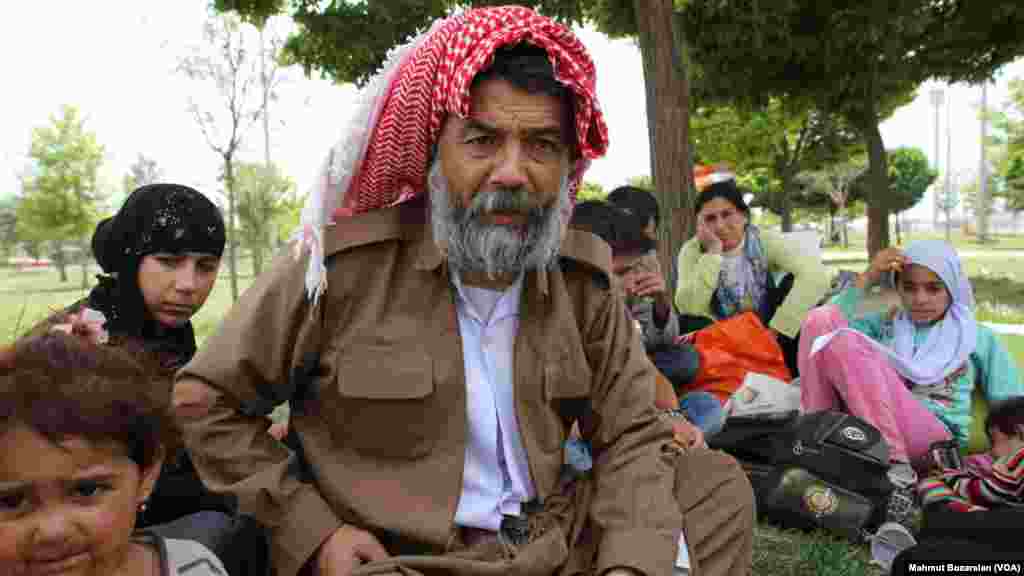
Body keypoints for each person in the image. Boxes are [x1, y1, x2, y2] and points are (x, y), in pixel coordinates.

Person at [173, 7, 754, 576]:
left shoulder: (582, 285)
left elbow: (631, 436)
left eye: (542, 146)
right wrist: (313, 530)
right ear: (434, 151)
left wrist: (628, 566)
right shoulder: (339, 271)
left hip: (551, 543)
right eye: (481, 140)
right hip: (402, 558)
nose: (512, 172)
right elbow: (207, 400)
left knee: (711, 486)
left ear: (566, 163)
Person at [30, 183, 266, 575]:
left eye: (205, 266)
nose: (189, 284)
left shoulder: (165, 330)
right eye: (169, 261)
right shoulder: (79, 343)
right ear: (131, 258)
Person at [798, 240, 1024, 495]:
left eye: (933, 289)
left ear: (951, 287)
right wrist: (870, 276)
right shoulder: (883, 325)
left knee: (844, 339)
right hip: (866, 428)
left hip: (931, 443)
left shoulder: (975, 336)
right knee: (821, 321)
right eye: (909, 287)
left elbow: (1013, 406)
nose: (920, 299)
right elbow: (824, 324)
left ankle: (896, 468)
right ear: (897, 287)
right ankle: (815, 438)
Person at [0, 329, 227, 576]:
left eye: (85, 490)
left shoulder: (194, 569)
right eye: (11, 501)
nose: (53, 531)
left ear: (147, 475)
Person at [569, 200, 723, 437]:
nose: (631, 282)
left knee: (705, 405)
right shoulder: (550, 316)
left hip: (631, 409)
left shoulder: (621, 292)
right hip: (593, 431)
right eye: (621, 273)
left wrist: (674, 419)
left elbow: (649, 364)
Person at [674, 169, 830, 375]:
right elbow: (689, 308)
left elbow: (816, 274)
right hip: (722, 339)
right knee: (689, 321)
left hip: (770, 333)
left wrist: (777, 330)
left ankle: (797, 375)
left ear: (744, 216)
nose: (719, 226)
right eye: (710, 219)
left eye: (727, 214)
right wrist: (712, 254)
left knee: (794, 287)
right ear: (700, 224)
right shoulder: (692, 250)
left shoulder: (763, 240)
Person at [917, 396, 1024, 512]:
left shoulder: (1018, 459)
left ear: (1019, 432)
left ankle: (962, 514)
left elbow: (980, 492)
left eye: (994, 441)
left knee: (928, 485)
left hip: (1002, 522)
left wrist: (951, 476)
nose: (992, 452)